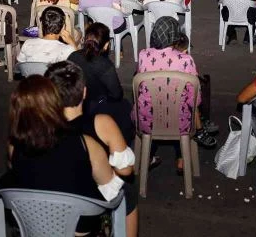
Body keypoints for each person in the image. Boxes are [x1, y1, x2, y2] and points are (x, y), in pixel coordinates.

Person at [0, 75, 123, 236]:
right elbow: (110, 188)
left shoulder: (13, 146)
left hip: (32, 225)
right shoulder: (85, 143)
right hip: (78, 229)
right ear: (55, 103)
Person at [45, 61, 138, 237]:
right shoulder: (101, 123)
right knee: (129, 189)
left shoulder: (31, 131)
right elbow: (126, 170)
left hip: (45, 212)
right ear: (84, 92)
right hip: (84, 217)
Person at [136, 17, 216, 173]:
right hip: (179, 123)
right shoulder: (185, 60)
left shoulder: (143, 55)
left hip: (145, 120)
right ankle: (182, 157)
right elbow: (196, 99)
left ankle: (147, 155)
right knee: (183, 108)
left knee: (157, 110)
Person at [66, 23, 133, 140]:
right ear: (106, 45)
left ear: (84, 40)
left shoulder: (73, 56)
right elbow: (116, 94)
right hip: (98, 106)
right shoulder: (105, 65)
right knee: (126, 106)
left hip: (77, 102)